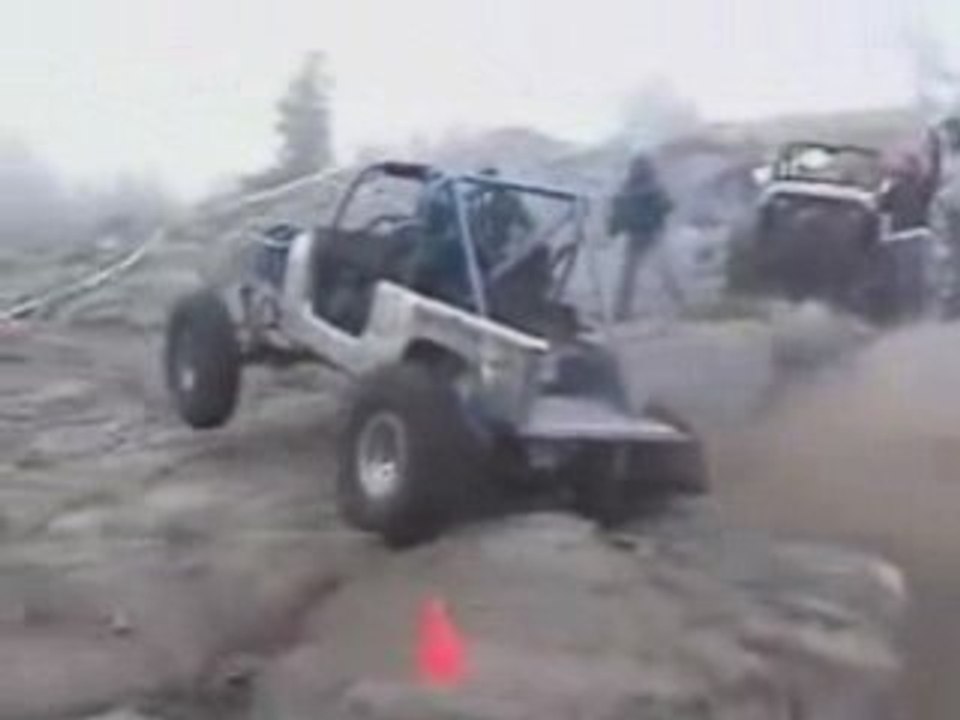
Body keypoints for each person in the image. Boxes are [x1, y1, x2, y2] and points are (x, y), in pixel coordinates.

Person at [607, 154, 674, 321]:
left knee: (661, 270)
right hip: (640, 235)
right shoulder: (635, 187)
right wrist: (613, 228)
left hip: (649, 234)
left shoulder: (649, 187)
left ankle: (623, 311)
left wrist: (614, 228)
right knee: (633, 274)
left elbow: (667, 206)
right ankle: (622, 311)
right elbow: (619, 212)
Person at [470, 167, 535, 270]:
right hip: (492, 257)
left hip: (509, 250)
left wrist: (519, 244)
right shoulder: (480, 208)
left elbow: (530, 225)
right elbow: (478, 236)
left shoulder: (510, 201)